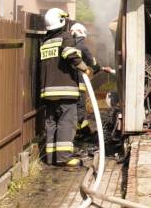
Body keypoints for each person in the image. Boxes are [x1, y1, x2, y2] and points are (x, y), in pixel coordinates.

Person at [39, 8, 89, 167]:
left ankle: (51, 157)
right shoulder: (65, 37)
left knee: (52, 123)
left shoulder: (45, 43)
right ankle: (64, 158)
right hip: (65, 91)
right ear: (61, 21)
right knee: (66, 123)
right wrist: (84, 68)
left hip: (47, 92)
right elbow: (69, 53)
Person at [70, 22, 115, 135]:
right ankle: (82, 132)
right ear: (82, 34)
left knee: (70, 108)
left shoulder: (68, 45)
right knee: (80, 106)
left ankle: (80, 131)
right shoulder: (82, 46)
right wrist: (101, 68)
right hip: (78, 81)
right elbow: (92, 61)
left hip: (66, 83)